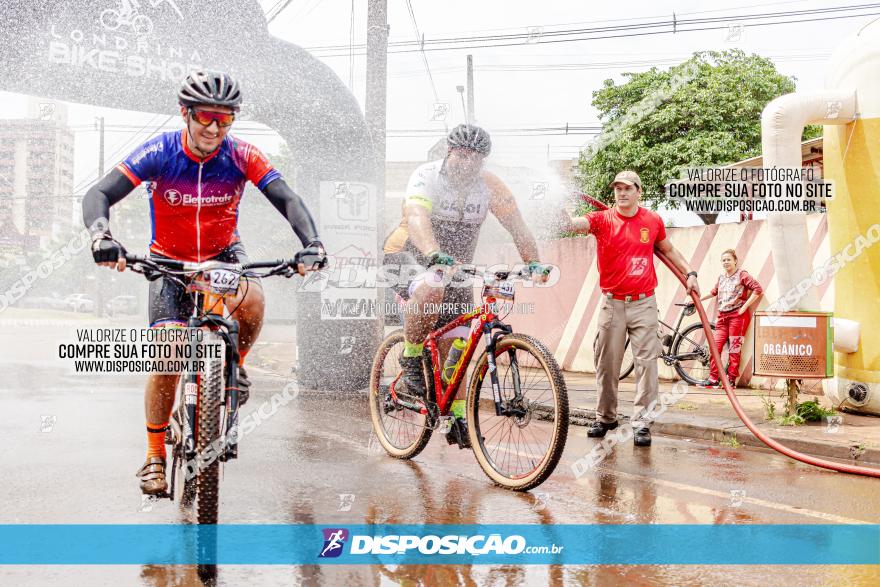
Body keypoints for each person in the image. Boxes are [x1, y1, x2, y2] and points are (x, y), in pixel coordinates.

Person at [83, 70, 327, 494]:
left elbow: (287, 198)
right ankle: (155, 455)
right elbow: (98, 194)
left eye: (225, 120)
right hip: (168, 262)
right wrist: (101, 236)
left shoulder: (241, 154)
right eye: (205, 118)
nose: (214, 128)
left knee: (252, 298)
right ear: (185, 114)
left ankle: (238, 370)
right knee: (169, 354)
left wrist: (313, 244)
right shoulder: (159, 151)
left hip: (223, 256)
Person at [382, 124, 551, 448]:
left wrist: (533, 262)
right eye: (462, 155)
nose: (468, 163)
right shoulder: (426, 176)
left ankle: (456, 414)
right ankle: (411, 355)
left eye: (476, 158)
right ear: (449, 152)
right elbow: (417, 218)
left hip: (454, 267)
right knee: (433, 284)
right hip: (407, 253)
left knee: (456, 348)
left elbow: (518, 227)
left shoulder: (490, 186)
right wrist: (432, 253)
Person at [563, 170, 699, 447]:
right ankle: (606, 418)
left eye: (627, 188)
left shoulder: (652, 220)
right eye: (617, 189)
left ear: (639, 191)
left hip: (644, 302)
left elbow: (669, 250)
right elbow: (576, 224)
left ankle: (642, 423)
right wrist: (563, 217)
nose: (621, 193)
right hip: (612, 302)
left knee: (647, 364)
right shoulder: (602, 220)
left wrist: (690, 273)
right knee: (607, 363)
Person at [696, 249, 763, 388]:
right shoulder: (721, 278)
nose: (726, 262)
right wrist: (696, 300)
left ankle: (731, 380)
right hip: (722, 317)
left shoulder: (742, 275)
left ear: (735, 261)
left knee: (734, 349)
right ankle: (713, 379)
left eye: (728, 259)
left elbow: (758, 289)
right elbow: (713, 292)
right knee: (715, 347)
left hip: (737, 317)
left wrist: (744, 308)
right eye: (724, 260)